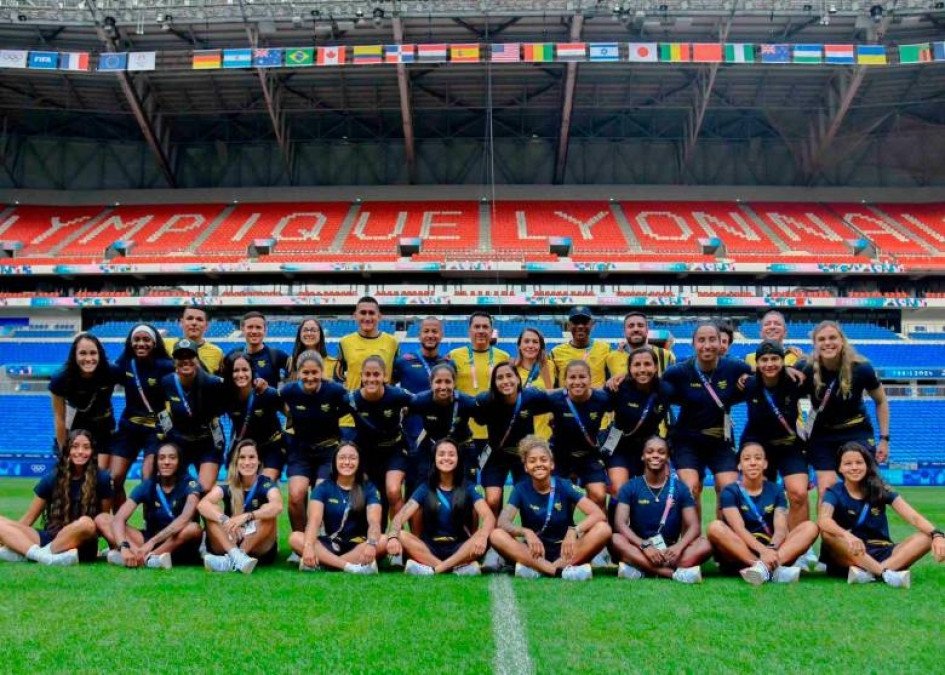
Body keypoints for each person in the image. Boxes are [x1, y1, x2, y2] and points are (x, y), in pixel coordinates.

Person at [818, 442, 944, 588]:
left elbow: (913, 517)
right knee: (828, 534)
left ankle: (870, 574)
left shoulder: (880, 489)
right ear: (840, 468)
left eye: (859, 462)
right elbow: (823, 519)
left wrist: (937, 535)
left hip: (882, 551)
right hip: (850, 552)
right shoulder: (834, 492)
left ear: (867, 465)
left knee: (926, 537)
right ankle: (885, 573)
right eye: (848, 463)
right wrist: (847, 535)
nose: (854, 467)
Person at [661, 321, 752, 517]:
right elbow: (651, 383)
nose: (707, 345)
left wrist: (787, 369)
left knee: (728, 492)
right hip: (687, 440)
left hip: (720, 440)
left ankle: (722, 535)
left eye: (712, 340)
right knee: (690, 489)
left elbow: (766, 372)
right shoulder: (679, 371)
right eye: (701, 340)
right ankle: (692, 536)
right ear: (693, 344)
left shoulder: (735, 367)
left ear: (721, 343)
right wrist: (621, 378)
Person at [489, 436, 611, 580]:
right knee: (496, 535)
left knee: (604, 529)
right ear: (526, 467)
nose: (538, 464)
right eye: (532, 461)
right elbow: (503, 522)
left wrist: (574, 530)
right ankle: (558, 571)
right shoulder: (520, 488)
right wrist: (526, 532)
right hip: (534, 552)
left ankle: (540, 570)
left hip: (566, 551)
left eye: (543, 460)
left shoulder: (563, 484)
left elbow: (598, 514)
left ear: (552, 464)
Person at [800, 321, 890, 500]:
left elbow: (881, 401)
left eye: (832, 338)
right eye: (822, 339)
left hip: (856, 431)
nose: (827, 343)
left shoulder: (862, 368)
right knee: (826, 490)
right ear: (815, 344)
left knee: (867, 488)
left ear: (842, 340)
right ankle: (827, 520)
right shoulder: (806, 369)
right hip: (823, 435)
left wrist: (884, 439)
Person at [707, 443, 819, 585]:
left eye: (758, 458)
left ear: (765, 464)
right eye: (747, 459)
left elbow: (780, 529)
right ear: (739, 465)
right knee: (715, 527)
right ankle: (767, 568)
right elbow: (739, 528)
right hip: (741, 553)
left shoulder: (776, 490)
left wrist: (771, 549)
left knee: (810, 527)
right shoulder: (730, 491)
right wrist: (763, 552)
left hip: (772, 551)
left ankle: (762, 569)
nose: (753, 462)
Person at [0, 430, 112, 566]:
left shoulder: (102, 479)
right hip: (51, 537)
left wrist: (114, 548)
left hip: (81, 542)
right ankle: (43, 556)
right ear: (67, 450)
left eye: (86, 447)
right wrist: (9, 537)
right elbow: (28, 519)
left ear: (93, 451)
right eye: (75, 446)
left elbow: (103, 520)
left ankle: (32, 553)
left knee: (87, 523)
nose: (80, 452)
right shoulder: (53, 478)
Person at [386, 439, 495, 575]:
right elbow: (399, 518)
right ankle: (454, 568)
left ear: (458, 459)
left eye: (451, 454)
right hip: (430, 548)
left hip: (460, 548)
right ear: (434, 459)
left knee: (486, 533)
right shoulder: (425, 487)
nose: (446, 458)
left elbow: (489, 517)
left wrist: (482, 537)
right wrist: (392, 537)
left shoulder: (468, 487)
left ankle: (433, 569)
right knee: (402, 535)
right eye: (441, 454)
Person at [610, 436, 710, 583]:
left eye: (661, 452)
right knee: (615, 539)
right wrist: (644, 546)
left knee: (706, 544)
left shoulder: (680, 488)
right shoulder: (631, 486)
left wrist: (678, 547)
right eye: (650, 452)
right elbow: (620, 524)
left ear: (668, 457)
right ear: (642, 456)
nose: (655, 455)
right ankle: (671, 573)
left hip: (670, 551)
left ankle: (641, 568)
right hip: (640, 547)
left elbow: (694, 526)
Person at [97, 441, 202, 569]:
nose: (166, 462)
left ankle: (147, 557)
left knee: (193, 528)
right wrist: (123, 546)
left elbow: (185, 518)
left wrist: (152, 542)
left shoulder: (190, 484)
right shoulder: (148, 485)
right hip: (147, 541)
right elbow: (119, 518)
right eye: (161, 458)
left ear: (180, 462)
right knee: (102, 519)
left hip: (177, 542)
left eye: (172, 458)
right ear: (156, 462)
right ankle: (139, 557)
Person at [280, 350, 351, 540]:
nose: (310, 377)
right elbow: (274, 401)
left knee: (320, 495)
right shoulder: (289, 391)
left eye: (314, 372)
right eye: (305, 372)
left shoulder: (335, 390)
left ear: (321, 372)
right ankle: (300, 541)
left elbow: (352, 404)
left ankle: (323, 539)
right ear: (298, 373)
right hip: (300, 451)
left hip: (328, 451)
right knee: (296, 496)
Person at [739, 340, 810, 529]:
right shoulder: (749, 384)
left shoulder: (794, 381)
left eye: (774, 359)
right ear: (757, 363)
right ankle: (761, 538)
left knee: (799, 493)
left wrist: (792, 366)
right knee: (758, 496)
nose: (769, 364)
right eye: (764, 360)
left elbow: (812, 363)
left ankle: (797, 543)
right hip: (759, 446)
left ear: (782, 360)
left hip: (789, 444)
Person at [288, 442, 389, 574]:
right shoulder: (323, 487)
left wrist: (371, 543)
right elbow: (314, 522)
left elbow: (374, 523)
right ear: (334, 462)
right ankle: (350, 567)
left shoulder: (369, 488)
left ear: (359, 462)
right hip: (332, 544)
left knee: (383, 540)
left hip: (359, 545)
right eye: (342, 458)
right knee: (295, 537)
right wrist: (308, 547)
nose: (347, 462)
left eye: (352, 458)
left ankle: (325, 564)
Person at [472, 362, 553, 517]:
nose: (505, 381)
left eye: (509, 376)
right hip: (496, 456)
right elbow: (471, 411)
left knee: (527, 500)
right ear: (494, 383)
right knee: (492, 500)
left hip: (523, 457)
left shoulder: (531, 396)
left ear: (517, 379)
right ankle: (495, 531)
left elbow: (558, 398)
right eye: (500, 378)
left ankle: (528, 530)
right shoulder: (486, 401)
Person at [110, 323, 175, 506]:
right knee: (114, 479)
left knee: (148, 478)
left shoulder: (165, 366)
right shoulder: (125, 364)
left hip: (155, 430)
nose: (141, 344)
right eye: (136, 339)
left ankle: (150, 519)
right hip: (129, 427)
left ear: (155, 343)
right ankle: (118, 521)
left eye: (146, 339)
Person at [200, 439, 284, 575]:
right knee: (211, 513)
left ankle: (231, 560)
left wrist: (248, 516)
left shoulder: (265, 483)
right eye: (242, 457)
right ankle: (237, 558)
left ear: (259, 461)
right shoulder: (229, 484)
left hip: (256, 543)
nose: (247, 462)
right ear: (236, 461)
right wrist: (225, 519)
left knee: (268, 514)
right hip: (231, 539)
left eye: (251, 457)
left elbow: (278, 506)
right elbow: (203, 504)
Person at [347, 356, 414, 520]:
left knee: (393, 491)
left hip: (394, 450)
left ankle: (396, 533)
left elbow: (423, 402)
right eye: (367, 374)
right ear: (361, 376)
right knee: (370, 497)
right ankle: (374, 532)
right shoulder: (351, 399)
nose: (371, 379)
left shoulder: (397, 395)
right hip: (366, 453)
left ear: (384, 376)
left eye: (376, 374)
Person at [156, 338, 227, 493]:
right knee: (176, 489)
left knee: (203, 489)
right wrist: (167, 436)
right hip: (180, 441)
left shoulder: (213, 383)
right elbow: (161, 411)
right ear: (174, 361)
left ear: (197, 359)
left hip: (208, 440)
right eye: (180, 357)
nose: (185, 360)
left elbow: (229, 403)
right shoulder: (167, 382)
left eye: (190, 356)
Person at [392, 316, 450, 491]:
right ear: (419, 335)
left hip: (440, 437)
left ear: (441, 335)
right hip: (412, 437)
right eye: (426, 331)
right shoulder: (403, 362)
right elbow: (390, 391)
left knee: (441, 488)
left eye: (435, 331)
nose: (430, 335)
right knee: (412, 488)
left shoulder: (449, 364)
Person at [49, 332, 122, 470]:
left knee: (101, 475)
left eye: (93, 353)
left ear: (100, 354)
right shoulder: (61, 379)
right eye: (82, 353)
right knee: (71, 473)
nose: (88, 358)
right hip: (75, 425)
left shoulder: (112, 372)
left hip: (103, 425)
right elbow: (59, 417)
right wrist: (64, 451)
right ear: (74, 355)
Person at [605, 347, 671, 496]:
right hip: (619, 444)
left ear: (655, 367)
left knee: (661, 490)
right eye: (637, 365)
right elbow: (592, 402)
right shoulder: (618, 387)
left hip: (650, 445)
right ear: (629, 368)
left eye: (647, 364)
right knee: (619, 490)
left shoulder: (665, 390)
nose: (642, 369)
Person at [544, 360, 610, 508]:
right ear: (565, 381)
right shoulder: (555, 399)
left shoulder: (602, 399)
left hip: (588, 455)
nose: (577, 382)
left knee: (599, 495)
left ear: (590, 379)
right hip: (560, 456)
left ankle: (601, 523)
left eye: (582, 377)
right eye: (572, 377)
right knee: (558, 502)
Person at [448, 311, 511, 465]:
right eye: (477, 327)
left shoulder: (504, 357)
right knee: (464, 476)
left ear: (491, 331)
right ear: (469, 331)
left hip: (494, 431)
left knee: (492, 477)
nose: (481, 331)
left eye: (485, 327)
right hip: (463, 431)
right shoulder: (454, 356)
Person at [407, 363, 477, 485]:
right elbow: (401, 409)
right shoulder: (420, 401)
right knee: (422, 483)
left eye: (448, 382)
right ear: (431, 383)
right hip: (431, 449)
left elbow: (484, 417)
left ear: (454, 383)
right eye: (438, 382)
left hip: (462, 448)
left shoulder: (466, 402)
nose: (443, 387)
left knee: (465, 489)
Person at [222, 352, 285, 481]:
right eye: (236, 371)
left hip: (270, 446)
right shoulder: (226, 395)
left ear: (252, 371)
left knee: (264, 485)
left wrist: (287, 439)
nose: (241, 374)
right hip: (243, 447)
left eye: (245, 370)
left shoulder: (267, 393)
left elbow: (292, 414)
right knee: (232, 487)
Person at [510, 327, 555, 440]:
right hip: (518, 437)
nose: (531, 345)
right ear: (519, 345)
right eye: (526, 341)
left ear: (541, 346)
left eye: (535, 342)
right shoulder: (511, 368)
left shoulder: (549, 366)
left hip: (544, 436)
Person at [226, 311, 291, 387]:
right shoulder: (232, 355)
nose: (254, 331)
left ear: (265, 330)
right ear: (242, 329)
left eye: (258, 327)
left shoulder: (278, 356)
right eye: (250, 327)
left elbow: (294, 379)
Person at [550, 306, 611, 387]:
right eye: (576, 322)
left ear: (591, 325)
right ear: (568, 326)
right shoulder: (556, 353)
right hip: (567, 395)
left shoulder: (605, 349)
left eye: (584, 322)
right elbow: (552, 385)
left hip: (596, 395)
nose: (580, 326)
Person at [606, 311, 676, 377]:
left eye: (640, 325)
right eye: (631, 326)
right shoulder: (611, 358)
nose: (636, 329)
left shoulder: (665, 355)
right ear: (624, 331)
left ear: (647, 330)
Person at [163, 305, 225, 374]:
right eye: (189, 318)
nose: (194, 323)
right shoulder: (165, 345)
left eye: (199, 319)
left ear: (206, 326)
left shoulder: (217, 353)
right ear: (181, 323)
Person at [289, 317, 339, 382]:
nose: (309, 333)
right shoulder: (291, 362)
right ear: (299, 334)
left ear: (320, 334)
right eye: (305, 330)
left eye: (313, 330)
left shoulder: (334, 363)